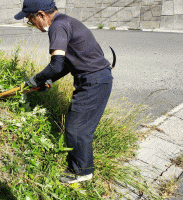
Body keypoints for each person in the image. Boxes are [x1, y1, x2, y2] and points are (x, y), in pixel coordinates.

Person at [14, 0, 113, 184]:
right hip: (97, 79)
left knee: (77, 129)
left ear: (41, 15)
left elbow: (56, 64)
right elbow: (67, 64)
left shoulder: (57, 26)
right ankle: (82, 168)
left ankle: (81, 172)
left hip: (94, 82)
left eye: (30, 19)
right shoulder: (67, 21)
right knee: (78, 127)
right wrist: (49, 81)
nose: (32, 24)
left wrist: (36, 79)